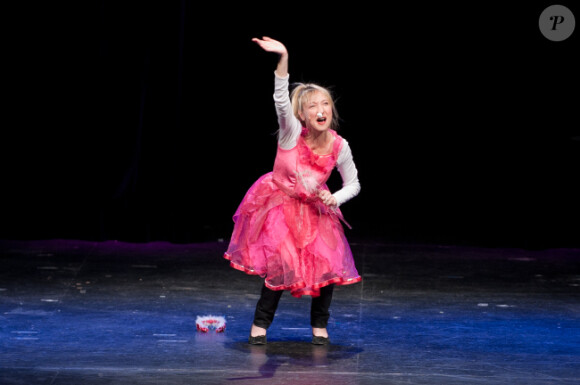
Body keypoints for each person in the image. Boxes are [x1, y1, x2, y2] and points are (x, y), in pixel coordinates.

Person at [224, 37, 361, 345]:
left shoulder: (340, 146)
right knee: (279, 265)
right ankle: (260, 325)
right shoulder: (290, 134)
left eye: (326, 104)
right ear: (302, 115)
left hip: (316, 210)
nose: (321, 109)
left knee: (327, 266)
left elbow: (353, 183)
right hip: (281, 205)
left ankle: (319, 326)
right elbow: (281, 100)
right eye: (313, 106)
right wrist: (284, 57)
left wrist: (334, 197)